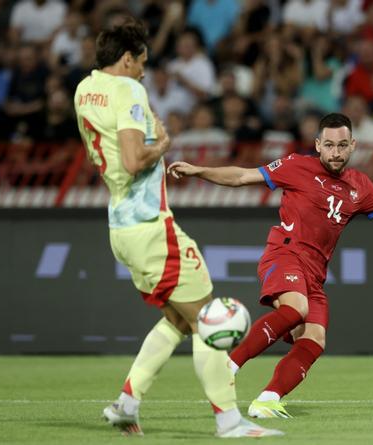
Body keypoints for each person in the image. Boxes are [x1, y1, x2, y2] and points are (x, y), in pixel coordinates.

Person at [167, 112, 373, 418]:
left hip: (314, 273)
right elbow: (243, 176)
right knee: (296, 309)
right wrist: (199, 171)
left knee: (314, 339)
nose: (335, 152)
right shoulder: (296, 165)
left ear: (353, 145)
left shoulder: (359, 186)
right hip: (285, 254)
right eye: (329, 145)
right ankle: (227, 366)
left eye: (342, 145)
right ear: (318, 144)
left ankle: (268, 400)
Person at [73, 19, 282, 439]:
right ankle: (229, 421)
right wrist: (163, 146)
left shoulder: (84, 89)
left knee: (180, 319)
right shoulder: (128, 89)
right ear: (127, 58)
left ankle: (126, 404)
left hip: (121, 224)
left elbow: (112, 159)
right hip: (151, 225)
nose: (144, 73)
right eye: (141, 63)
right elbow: (134, 160)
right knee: (209, 317)